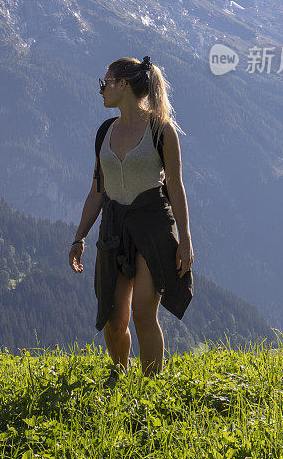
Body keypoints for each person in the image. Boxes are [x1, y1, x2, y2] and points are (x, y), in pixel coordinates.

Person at [68, 55, 194, 378]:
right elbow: (97, 190)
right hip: (114, 226)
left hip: (152, 225)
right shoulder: (104, 133)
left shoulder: (161, 131)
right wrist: (79, 236)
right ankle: (120, 374)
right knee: (113, 317)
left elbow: (176, 189)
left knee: (142, 312)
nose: (101, 90)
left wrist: (185, 240)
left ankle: (150, 389)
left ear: (122, 85)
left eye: (105, 83)